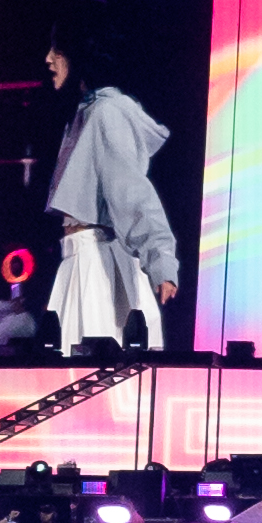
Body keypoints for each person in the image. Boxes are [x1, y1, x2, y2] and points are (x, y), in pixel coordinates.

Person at [41, 25, 179, 352]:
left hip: (97, 267)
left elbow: (132, 192)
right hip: (81, 260)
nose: (48, 59)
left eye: (57, 50)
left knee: (92, 366)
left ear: (79, 55)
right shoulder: (87, 113)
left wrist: (160, 260)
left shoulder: (106, 113)